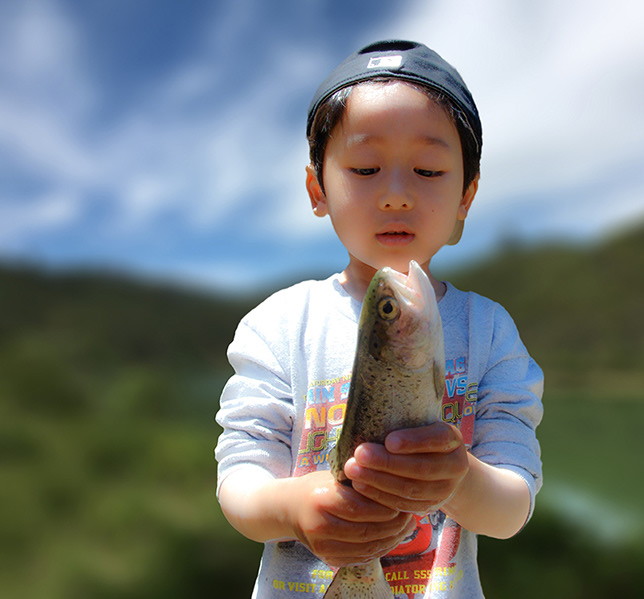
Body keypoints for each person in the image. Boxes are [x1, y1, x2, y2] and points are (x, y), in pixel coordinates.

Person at [215, 40, 544, 598]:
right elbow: (239, 482)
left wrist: (458, 477)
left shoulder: (489, 331)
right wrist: (297, 507)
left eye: (428, 169)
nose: (396, 195)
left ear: (467, 195)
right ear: (318, 188)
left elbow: (512, 508)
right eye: (365, 168)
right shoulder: (278, 325)